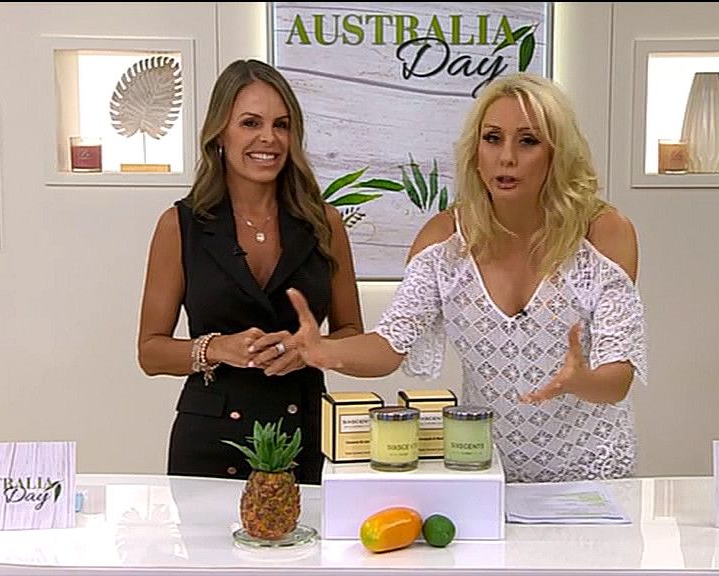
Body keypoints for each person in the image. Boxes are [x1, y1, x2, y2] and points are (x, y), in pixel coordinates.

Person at [256, 73, 647, 483]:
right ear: (475, 151)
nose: (506, 157)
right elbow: (390, 345)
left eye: (528, 141)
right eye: (492, 138)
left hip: (592, 471)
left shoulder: (604, 233)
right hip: (485, 466)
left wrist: (580, 381)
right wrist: (323, 351)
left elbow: (617, 380)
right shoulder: (443, 240)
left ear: (557, 153)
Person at [136, 59, 363, 485]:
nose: (268, 138)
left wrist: (312, 350)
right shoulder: (180, 226)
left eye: (281, 125)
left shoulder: (324, 224)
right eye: (250, 123)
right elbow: (150, 352)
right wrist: (217, 348)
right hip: (209, 442)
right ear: (220, 133)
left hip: (303, 434)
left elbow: (352, 333)